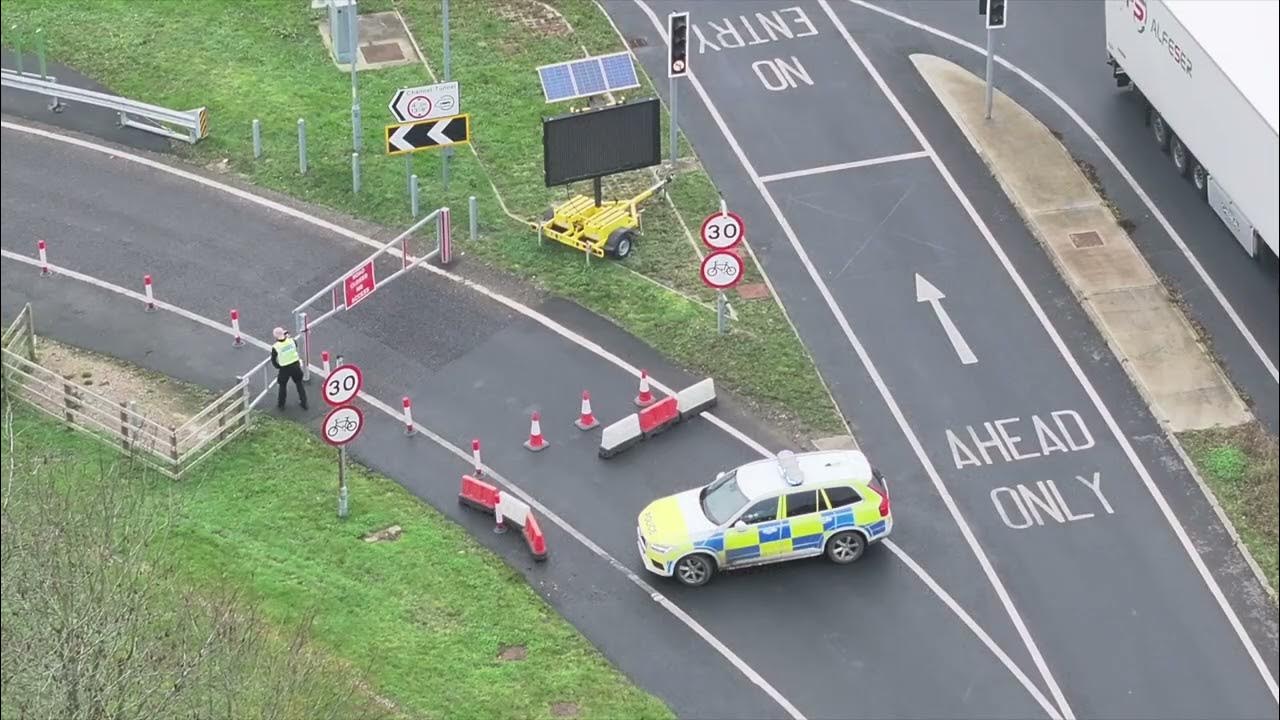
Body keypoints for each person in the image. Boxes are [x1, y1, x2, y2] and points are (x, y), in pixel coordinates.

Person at [271, 327, 308, 410]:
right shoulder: (292, 341)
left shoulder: (275, 347)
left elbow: (273, 360)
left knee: (282, 386)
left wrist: (278, 366)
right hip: (295, 365)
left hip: (284, 368)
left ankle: (281, 404)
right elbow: (295, 345)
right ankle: (304, 403)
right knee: (299, 384)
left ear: (275, 337)